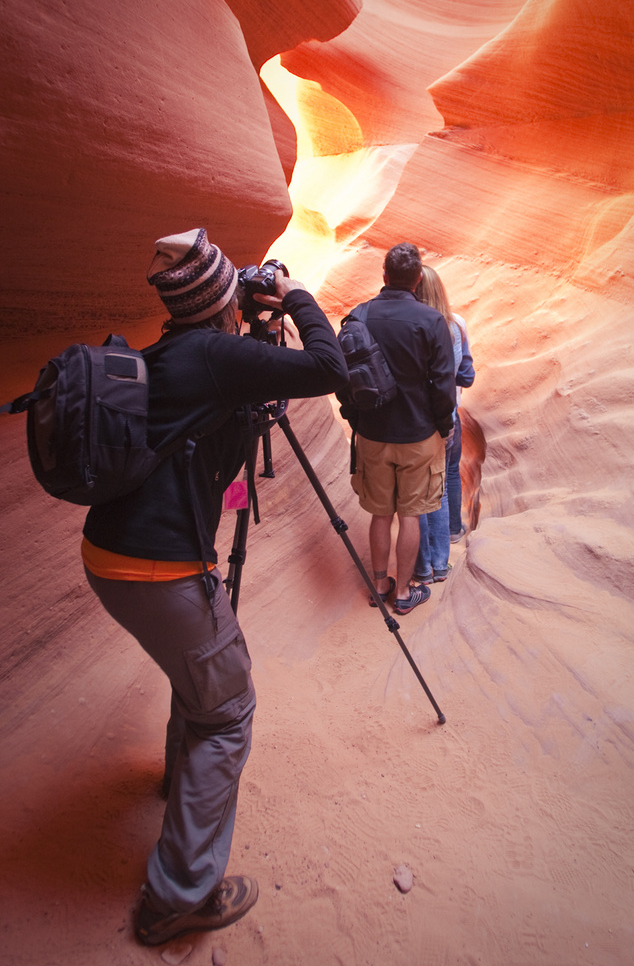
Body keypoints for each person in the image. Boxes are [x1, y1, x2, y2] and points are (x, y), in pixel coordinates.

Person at [81, 228, 349, 946]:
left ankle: (180, 781)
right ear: (221, 295)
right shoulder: (217, 354)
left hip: (109, 553)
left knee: (196, 669)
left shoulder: (174, 350)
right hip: (159, 567)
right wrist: (295, 296)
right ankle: (178, 896)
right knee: (228, 709)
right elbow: (329, 364)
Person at [344, 242, 456, 615]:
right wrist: (445, 426)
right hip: (419, 435)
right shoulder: (430, 321)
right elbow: (443, 383)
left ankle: (379, 585)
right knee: (410, 515)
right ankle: (404, 592)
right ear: (418, 278)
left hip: (373, 435)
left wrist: (356, 421)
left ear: (384, 275)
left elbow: (342, 376)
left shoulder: (359, 316)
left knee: (380, 514)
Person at [413, 266, 475, 583]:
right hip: (452, 413)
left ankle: (427, 562)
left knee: (423, 490)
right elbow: (467, 375)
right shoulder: (456, 324)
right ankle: (452, 532)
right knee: (448, 474)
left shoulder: (415, 327)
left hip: (422, 420)